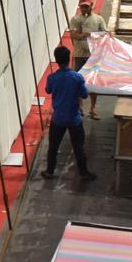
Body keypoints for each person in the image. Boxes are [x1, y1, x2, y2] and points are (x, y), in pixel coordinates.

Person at [42, 45, 97, 180]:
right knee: (78, 147)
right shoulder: (77, 77)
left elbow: (48, 90)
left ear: (56, 60)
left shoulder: (52, 78)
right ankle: (83, 173)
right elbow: (84, 95)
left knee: (53, 147)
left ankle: (50, 171)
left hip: (58, 119)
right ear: (69, 58)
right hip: (74, 119)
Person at [68, 0, 108, 119]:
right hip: (79, 54)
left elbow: (105, 33)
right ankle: (80, 107)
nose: (85, 8)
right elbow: (72, 34)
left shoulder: (98, 19)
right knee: (78, 81)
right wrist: (82, 35)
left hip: (93, 55)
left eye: (87, 6)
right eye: (82, 7)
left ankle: (93, 108)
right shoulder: (75, 19)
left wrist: (100, 35)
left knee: (93, 82)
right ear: (80, 7)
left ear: (91, 5)